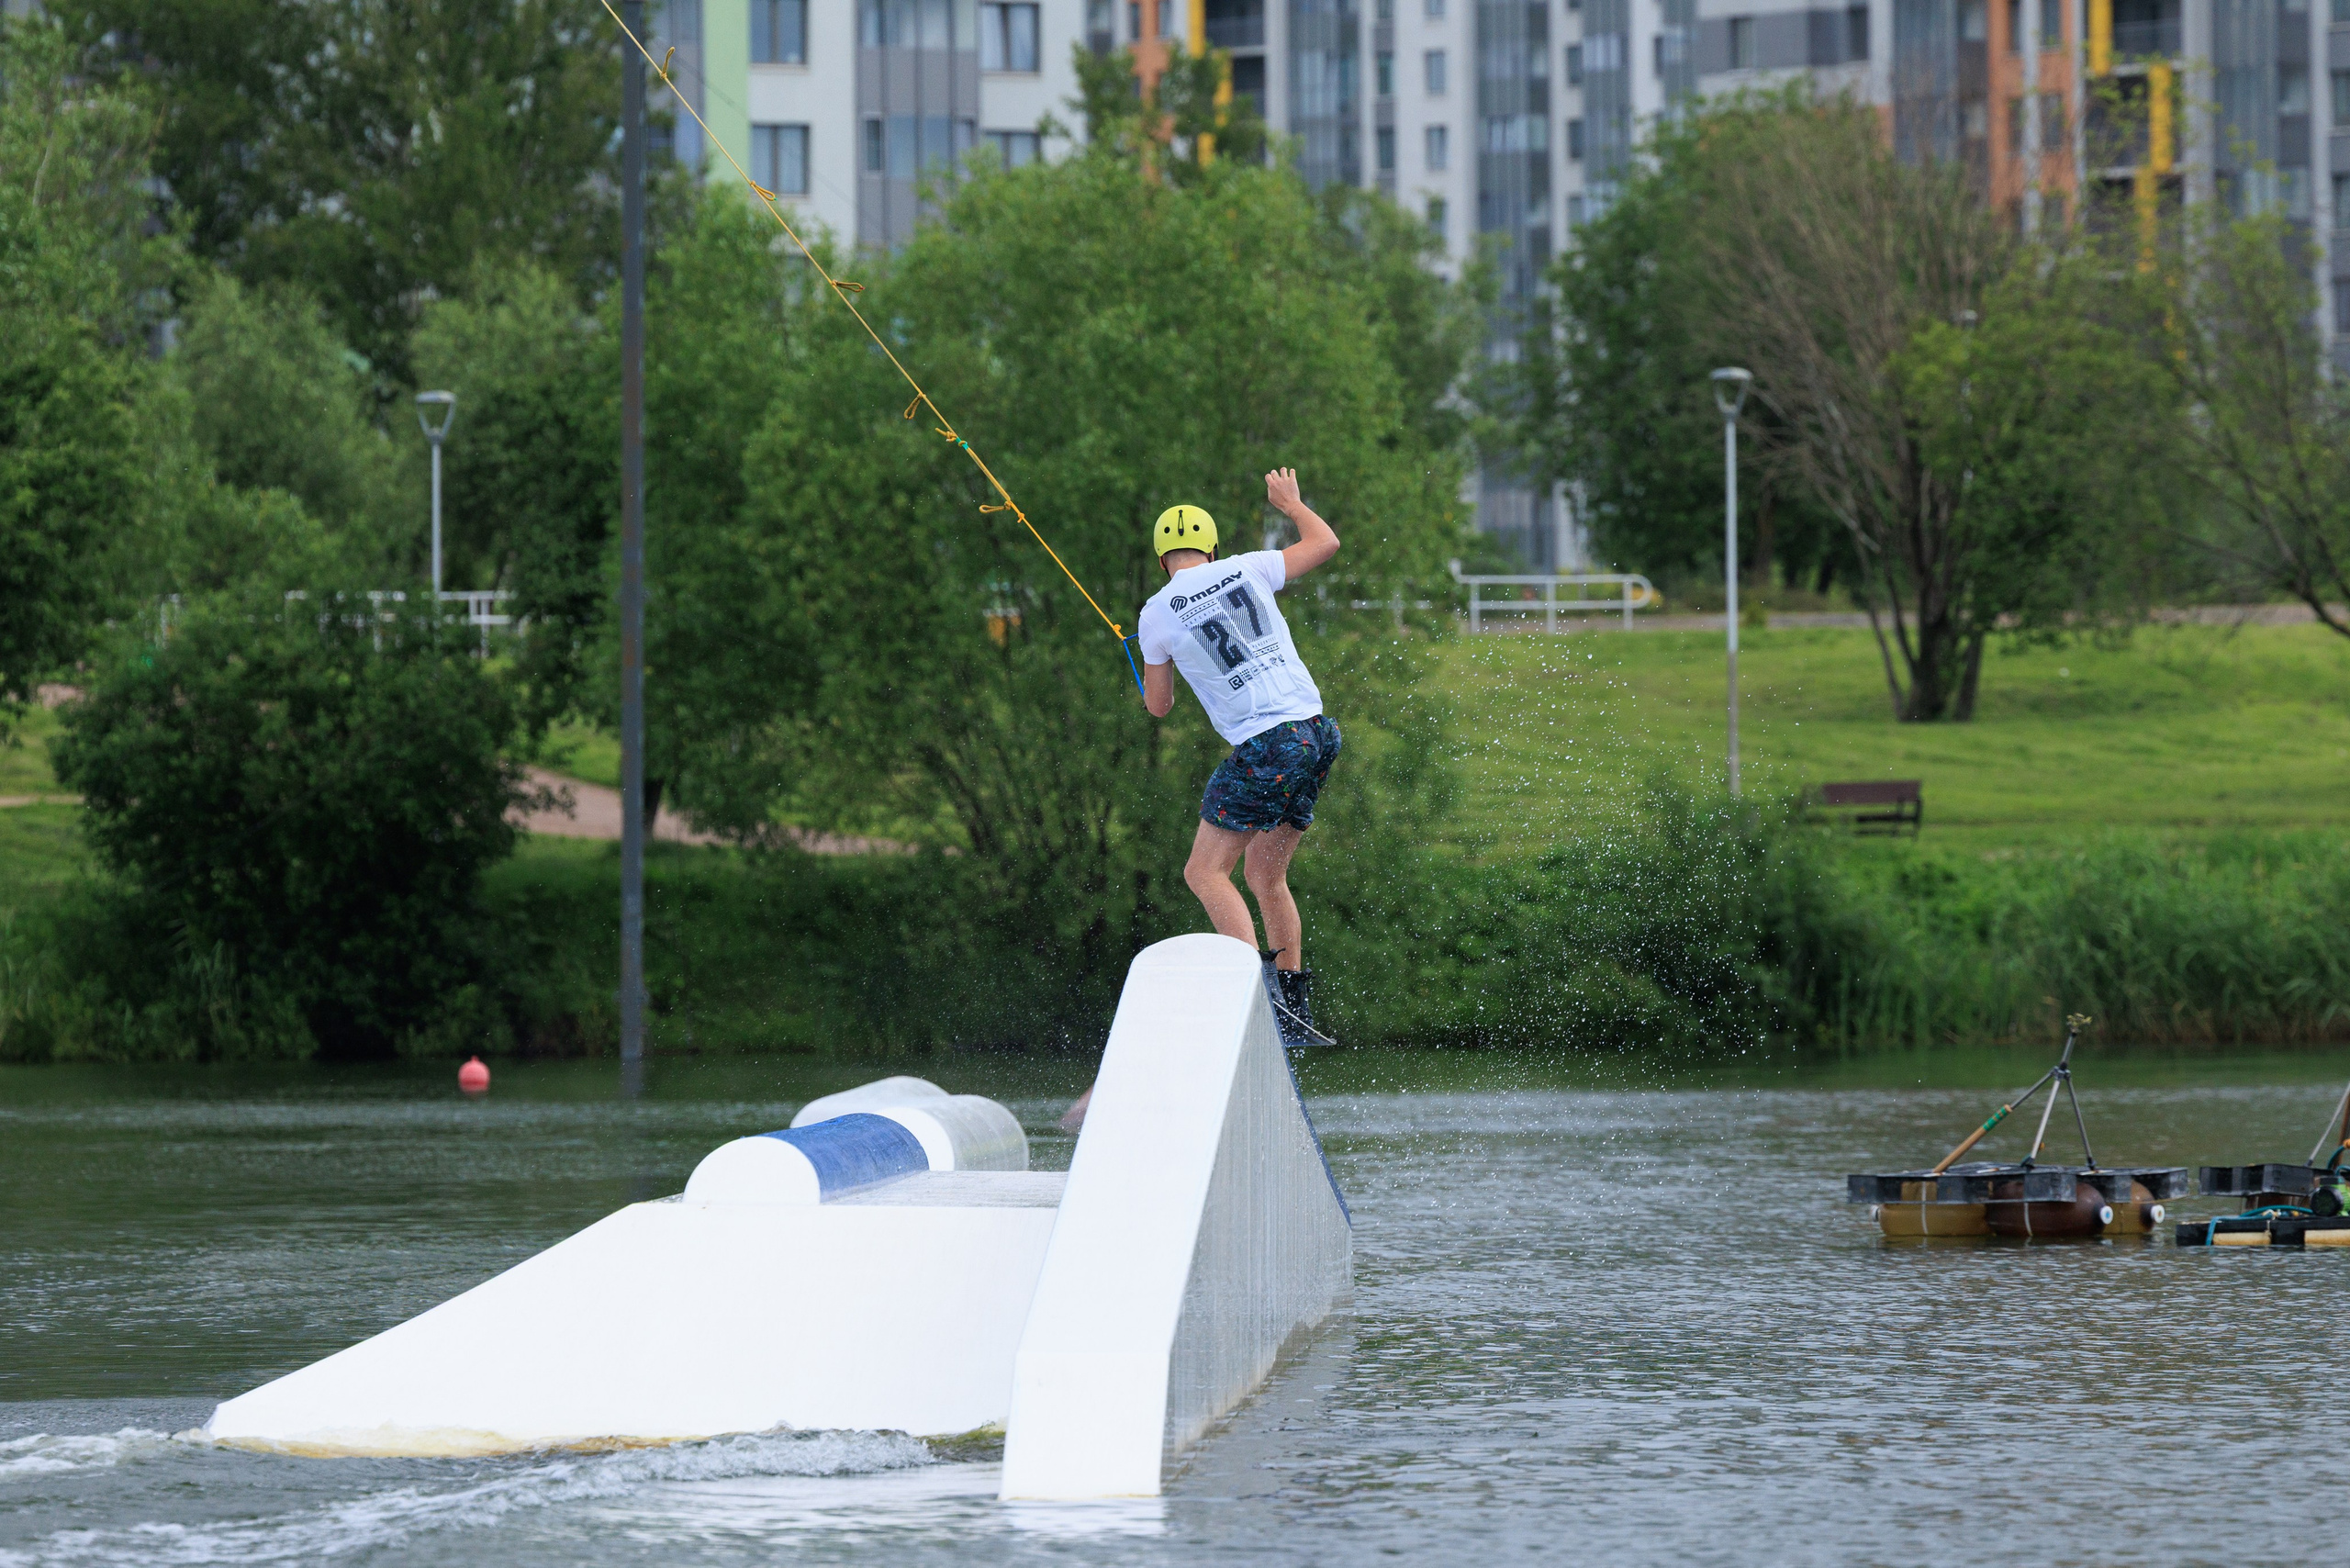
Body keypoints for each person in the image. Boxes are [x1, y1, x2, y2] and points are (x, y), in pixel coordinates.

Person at [1136, 466, 1343, 1047]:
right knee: (1265, 872)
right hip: (1315, 734)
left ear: (1163, 560)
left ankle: (1251, 1004)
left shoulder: (1156, 613)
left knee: (1203, 872)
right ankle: (1293, 1014)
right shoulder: (1246, 566)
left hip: (1266, 745)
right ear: (1210, 549)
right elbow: (1325, 544)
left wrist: (1148, 658)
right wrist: (1292, 504)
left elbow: (1158, 706)